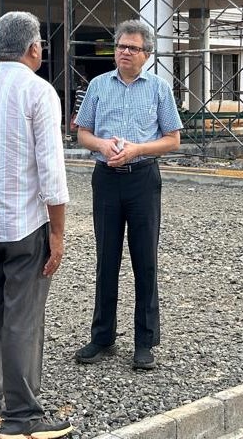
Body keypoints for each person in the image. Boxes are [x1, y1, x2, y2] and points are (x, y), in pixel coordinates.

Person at [0, 12, 73, 439]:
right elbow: (51, 172)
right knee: (23, 318)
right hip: (26, 223)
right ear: (34, 48)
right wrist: (58, 233)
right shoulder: (39, 92)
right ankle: (24, 416)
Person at [73, 19, 183, 371]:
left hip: (142, 179)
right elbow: (82, 133)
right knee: (106, 258)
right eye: (120, 46)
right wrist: (102, 144)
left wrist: (137, 150)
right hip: (105, 178)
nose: (124, 52)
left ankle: (144, 341)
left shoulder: (159, 90)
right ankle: (102, 336)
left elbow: (173, 138)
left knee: (144, 260)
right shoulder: (98, 86)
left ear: (146, 55)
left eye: (132, 48)